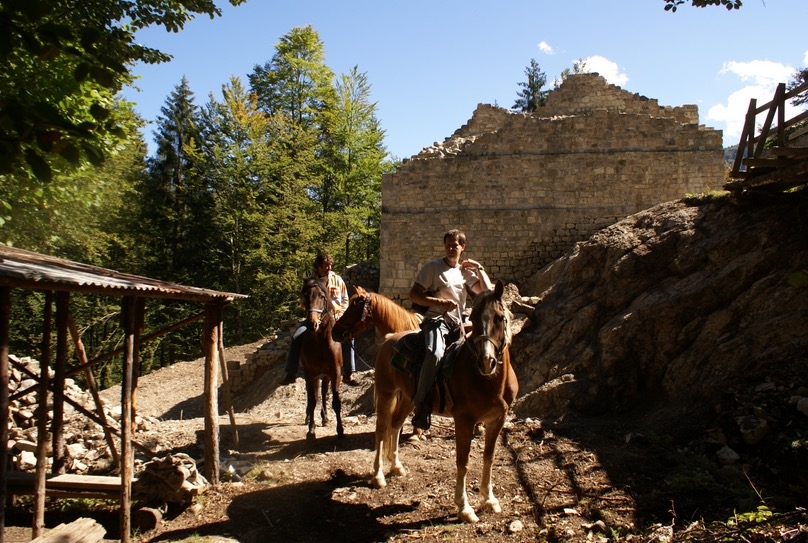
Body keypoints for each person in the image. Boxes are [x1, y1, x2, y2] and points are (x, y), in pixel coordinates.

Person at [409, 228, 492, 430]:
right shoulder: (432, 267)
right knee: (434, 353)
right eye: (448, 245)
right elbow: (414, 294)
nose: (451, 249)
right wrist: (439, 302)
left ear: (463, 247)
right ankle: (421, 405)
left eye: (455, 245)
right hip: (437, 320)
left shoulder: (464, 272)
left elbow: (488, 292)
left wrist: (479, 268)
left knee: (484, 348)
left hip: (460, 322)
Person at [281, 253, 358, 386]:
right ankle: (291, 373)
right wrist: (311, 311)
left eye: (330, 265)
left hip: (335, 317)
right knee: (297, 337)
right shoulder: (310, 282)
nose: (329, 268)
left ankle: (348, 373)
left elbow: (345, 299)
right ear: (318, 266)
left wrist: (340, 314)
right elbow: (303, 302)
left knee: (348, 336)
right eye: (326, 266)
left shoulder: (337, 280)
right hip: (315, 317)